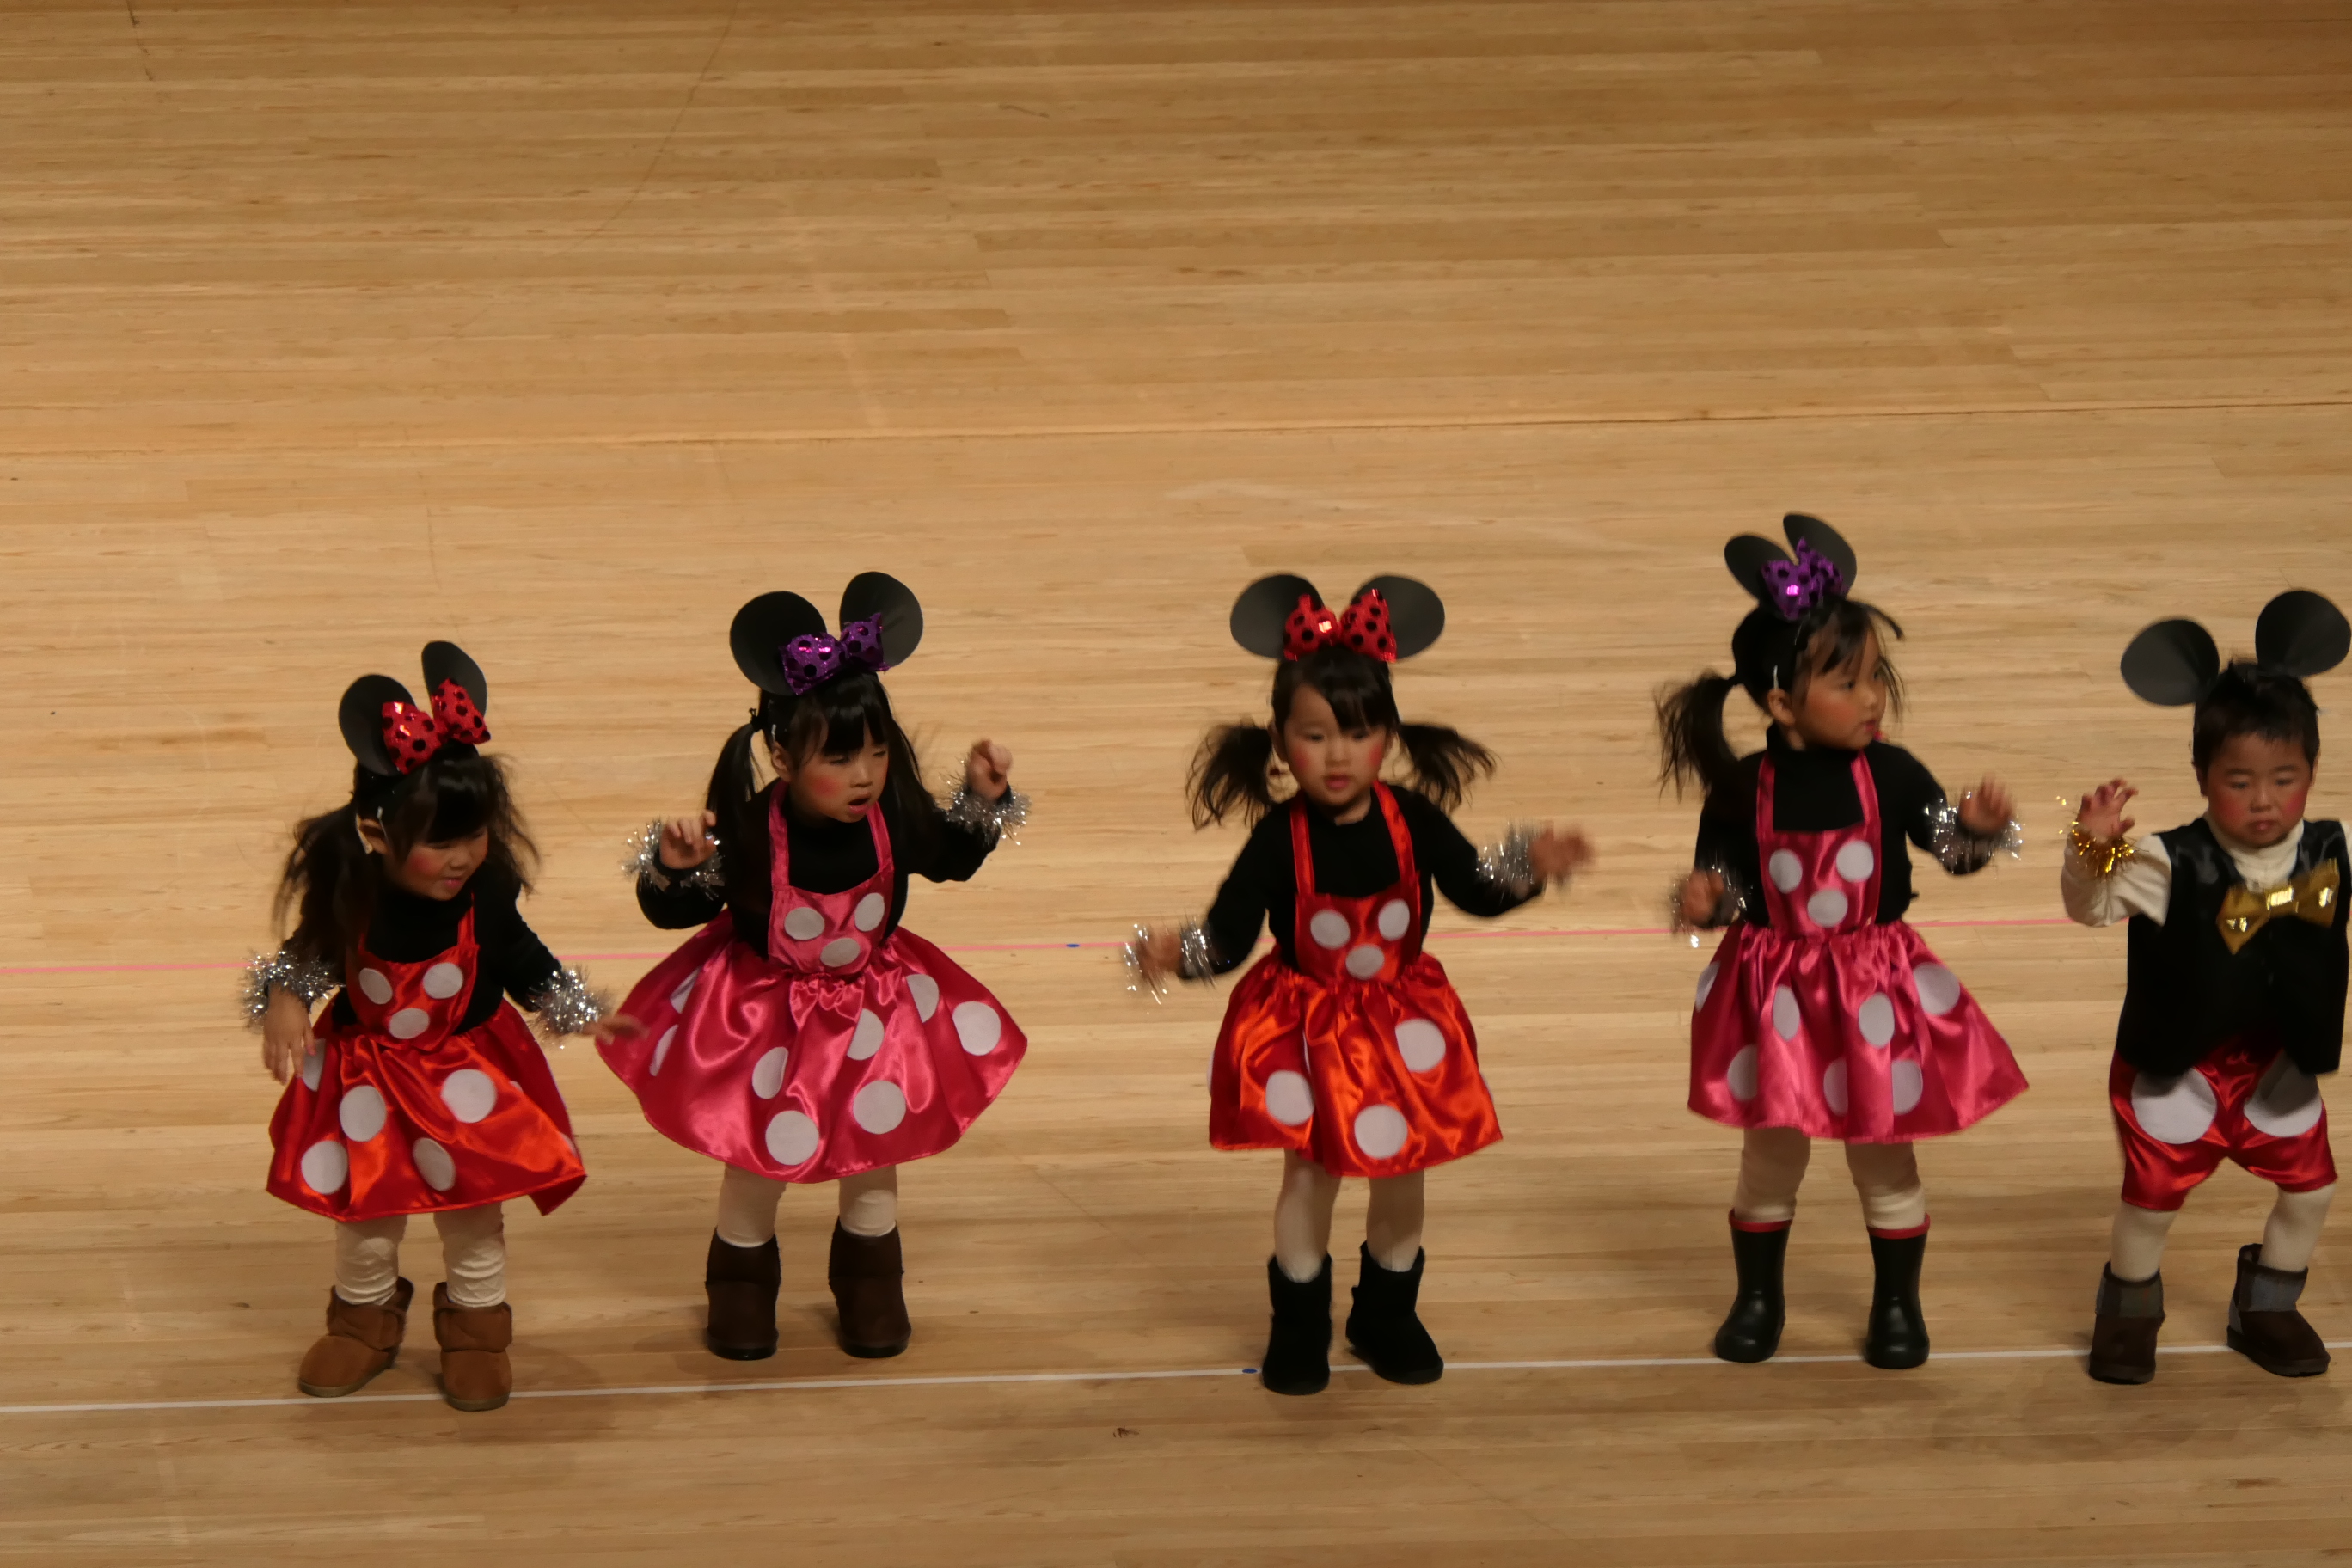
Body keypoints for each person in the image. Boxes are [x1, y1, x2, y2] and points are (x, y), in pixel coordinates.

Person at [1130, 573, 1589, 1395]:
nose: (1337, 754)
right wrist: (1181, 952)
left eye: (1356, 733)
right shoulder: (1278, 840)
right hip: (1306, 1027)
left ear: (1387, 737)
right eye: (1314, 736)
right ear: (1280, 743)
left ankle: (1387, 1316)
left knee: (1402, 1169)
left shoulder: (1415, 820)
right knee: (1310, 1174)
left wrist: (1530, 868)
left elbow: (1477, 888)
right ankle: (1298, 1327)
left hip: (1401, 1023)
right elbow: (1229, 935)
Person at [606, 574, 1028, 1362]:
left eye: (877, 751)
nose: (866, 773)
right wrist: (672, 870)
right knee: (754, 1165)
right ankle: (740, 1290)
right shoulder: (749, 832)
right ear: (781, 755)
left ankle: (872, 1286)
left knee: (874, 1158)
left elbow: (952, 857)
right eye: (841, 757)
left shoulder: (892, 811)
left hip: (875, 1011)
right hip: (763, 1020)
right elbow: (673, 912)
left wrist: (983, 800)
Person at [1661, 515, 2025, 1370]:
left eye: (1875, 680)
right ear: (1781, 703)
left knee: (1883, 1157)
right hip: (1775, 993)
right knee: (1770, 1154)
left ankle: (1897, 1307)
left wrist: (1975, 831)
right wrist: (1707, 902)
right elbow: (1725, 885)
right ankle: (1758, 1299)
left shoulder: (1893, 774)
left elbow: (1949, 850)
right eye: (1848, 682)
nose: (1872, 700)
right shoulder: (1740, 789)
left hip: (1873, 988)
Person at [248, 641, 630, 1412]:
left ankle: (477, 1329)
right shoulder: (352, 890)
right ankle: (363, 1321)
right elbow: (308, 952)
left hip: (467, 1075)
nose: (464, 857)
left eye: (475, 834)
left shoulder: (484, 892)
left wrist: (571, 1004)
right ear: (376, 832)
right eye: (440, 842)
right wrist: (285, 997)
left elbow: (520, 954)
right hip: (367, 1076)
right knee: (366, 1211)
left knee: (473, 1212)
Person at [2065, 591, 2349, 1384]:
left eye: (2285, 779)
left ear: (2313, 771)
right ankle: (2128, 1313)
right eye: (2239, 781)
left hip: (2278, 1065)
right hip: (2176, 1065)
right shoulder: (2165, 860)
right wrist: (2090, 849)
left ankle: (2267, 1309)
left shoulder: (2336, 848)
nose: (2263, 800)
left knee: (2312, 1192)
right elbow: (2090, 907)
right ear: (2201, 776)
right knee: (2151, 1203)